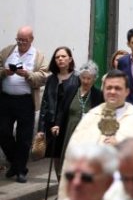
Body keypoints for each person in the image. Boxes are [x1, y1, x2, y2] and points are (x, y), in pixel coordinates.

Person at [59, 69, 133, 199]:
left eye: (117, 88)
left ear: (127, 91)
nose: (112, 92)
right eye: (109, 88)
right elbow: (72, 158)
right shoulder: (91, 117)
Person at [0, 26, 48, 183]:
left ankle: (19, 170)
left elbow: (44, 76)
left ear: (31, 39)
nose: (21, 43)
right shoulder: (7, 51)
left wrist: (28, 74)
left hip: (26, 101)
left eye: (24, 40)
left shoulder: (38, 56)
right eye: (18, 39)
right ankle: (16, 164)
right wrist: (4, 72)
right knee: (3, 132)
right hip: (6, 99)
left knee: (24, 137)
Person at [36, 47, 79, 178]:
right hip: (52, 123)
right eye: (57, 57)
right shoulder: (51, 79)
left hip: (69, 123)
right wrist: (41, 129)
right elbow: (44, 104)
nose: (60, 59)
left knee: (69, 156)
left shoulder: (77, 78)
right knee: (56, 156)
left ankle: (69, 185)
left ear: (70, 59)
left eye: (63, 56)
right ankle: (61, 185)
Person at [59, 61, 104, 170]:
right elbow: (62, 110)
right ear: (80, 77)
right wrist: (57, 125)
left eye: (89, 78)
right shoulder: (71, 90)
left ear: (94, 79)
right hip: (70, 131)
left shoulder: (98, 95)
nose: (86, 81)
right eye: (83, 77)